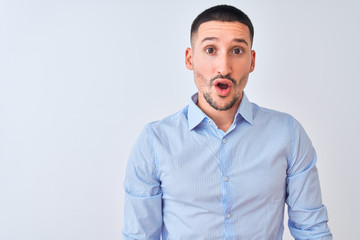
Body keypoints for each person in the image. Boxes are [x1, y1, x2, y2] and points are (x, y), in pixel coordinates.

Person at [122, 4, 332, 240]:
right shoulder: (154, 142)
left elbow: (312, 231)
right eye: (210, 49)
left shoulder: (288, 134)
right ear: (190, 58)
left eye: (237, 51)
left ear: (252, 61)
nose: (224, 67)